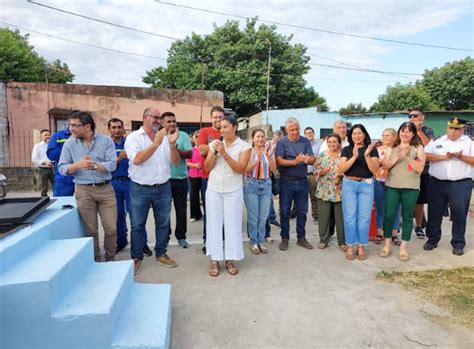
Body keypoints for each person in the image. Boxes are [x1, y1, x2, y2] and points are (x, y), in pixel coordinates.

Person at [124, 107, 180, 275]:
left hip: (163, 187)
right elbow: (137, 160)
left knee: (163, 224)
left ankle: (161, 254)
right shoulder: (133, 138)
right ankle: (136, 257)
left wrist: (172, 145)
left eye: (159, 118)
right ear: (144, 117)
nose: (157, 120)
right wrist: (156, 143)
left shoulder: (165, 138)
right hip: (140, 188)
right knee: (137, 225)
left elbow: (176, 162)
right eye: (154, 117)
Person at [58, 111, 117, 262]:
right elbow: (62, 168)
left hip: (105, 189)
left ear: (87, 126)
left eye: (74, 125)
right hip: (83, 190)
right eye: (70, 125)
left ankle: (110, 260)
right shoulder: (69, 144)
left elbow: (112, 164)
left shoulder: (106, 141)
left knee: (111, 229)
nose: (71, 129)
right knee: (91, 230)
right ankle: (95, 261)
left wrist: (95, 166)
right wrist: (77, 165)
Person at [204, 115, 251, 277]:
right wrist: (214, 152)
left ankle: (230, 259)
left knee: (232, 225)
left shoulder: (244, 146)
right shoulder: (215, 144)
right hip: (214, 189)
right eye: (220, 127)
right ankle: (215, 259)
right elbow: (206, 167)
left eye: (225, 127)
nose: (222, 130)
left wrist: (224, 154)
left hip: (233, 190)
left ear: (235, 127)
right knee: (214, 224)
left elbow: (240, 169)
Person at [424, 117, 474, 256]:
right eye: (451, 128)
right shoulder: (438, 141)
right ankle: (432, 239)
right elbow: (425, 155)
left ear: (462, 129)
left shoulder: (469, 143)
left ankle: (458, 243)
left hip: (461, 183)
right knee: (434, 212)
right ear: (447, 128)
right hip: (437, 183)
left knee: (459, 214)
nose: (453, 131)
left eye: (456, 129)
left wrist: (460, 157)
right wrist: (444, 157)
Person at [379, 122, 426, 262]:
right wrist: (398, 156)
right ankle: (386, 244)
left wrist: (408, 156)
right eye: (402, 131)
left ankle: (404, 247)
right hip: (392, 186)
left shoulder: (418, 148)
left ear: (413, 134)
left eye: (408, 131)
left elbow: (419, 168)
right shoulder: (392, 147)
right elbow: (385, 166)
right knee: (388, 216)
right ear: (399, 132)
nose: (405, 134)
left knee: (406, 218)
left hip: (411, 188)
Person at [108, 118, 152, 256]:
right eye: (113, 127)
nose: (117, 130)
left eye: (119, 127)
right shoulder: (106, 145)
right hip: (113, 183)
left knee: (136, 215)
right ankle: (121, 242)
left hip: (131, 182)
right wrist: (119, 158)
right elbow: (104, 165)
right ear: (109, 129)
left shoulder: (131, 141)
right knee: (118, 215)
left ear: (123, 128)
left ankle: (142, 244)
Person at [339, 124, 379, 260]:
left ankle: (361, 246)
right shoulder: (346, 150)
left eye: (359, 133)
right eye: (354, 133)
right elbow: (342, 168)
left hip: (366, 185)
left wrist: (366, 156)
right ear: (351, 136)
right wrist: (354, 156)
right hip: (349, 184)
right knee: (350, 217)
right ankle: (350, 245)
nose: (357, 136)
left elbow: (375, 170)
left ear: (364, 134)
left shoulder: (372, 150)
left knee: (364, 218)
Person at [275, 117, 315, 251]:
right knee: (285, 211)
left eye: (297, 129)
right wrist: (295, 161)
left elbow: (312, 159)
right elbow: (279, 161)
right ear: (286, 130)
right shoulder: (282, 142)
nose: (295, 132)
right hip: (287, 181)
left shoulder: (305, 141)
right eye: (292, 130)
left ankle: (301, 238)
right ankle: (285, 238)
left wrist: (308, 159)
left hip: (302, 180)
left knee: (303, 211)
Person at [162, 112, 192, 249]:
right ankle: (164, 237)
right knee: (164, 211)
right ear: (162, 123)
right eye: (168, 121)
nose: (172, 123)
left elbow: (189, 154)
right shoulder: (159, 137)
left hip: (180, 180)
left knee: (181, 210)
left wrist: (174, 147)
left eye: (174, 121)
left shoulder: (184, 136)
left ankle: (181, 236)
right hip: (164, 180)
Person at [244, 129, 276, 254]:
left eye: (262, 136)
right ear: (253, 139)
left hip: (266, 184)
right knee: (253, 217)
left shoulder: (268, 152)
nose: (260, 139)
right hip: (251, 184)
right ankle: (254, 242)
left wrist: (269, 157)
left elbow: (274, 170)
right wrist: (256, 161)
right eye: (257, 136)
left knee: (263, 216)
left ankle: (260, 241)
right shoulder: (248, 152)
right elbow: (245, 170)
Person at [198, 106, 225, 253]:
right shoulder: (204, 132)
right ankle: (207, 241)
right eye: (215, 117)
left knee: (224, 213)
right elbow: (201, 150)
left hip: (225, 178)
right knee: (210, 212)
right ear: (211, 118)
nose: (218, 119)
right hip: (207, 178)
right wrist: (214, 146)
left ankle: (222, 241)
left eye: (220, 117)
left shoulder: (228, 131)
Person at [314, 133, 346, 250]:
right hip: (324, 190)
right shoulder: (322, 156)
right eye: (330, 142)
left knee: (340, 218)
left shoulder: (343, 156)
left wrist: (343, 174)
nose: (332, 144)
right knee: (323, 217)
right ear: (327, 143)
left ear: (339, 143)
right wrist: (321, 171)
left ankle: (342, 241)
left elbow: (348, 170)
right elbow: (315, 171)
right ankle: (323, 239)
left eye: (334, 142)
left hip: (339, 191)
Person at [407, 108, 435, 238]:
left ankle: (418, 226)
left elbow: (429, 146)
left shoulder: (428, 130)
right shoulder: (406, 129)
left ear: (422, 117)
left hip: (423, 171)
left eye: (415, 115)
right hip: (407, 171)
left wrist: (418, 131)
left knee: (419, 201)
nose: (412, 118)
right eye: (410, 116)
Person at [373, 128, 402, 245]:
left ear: (395, 137)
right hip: (379, 181)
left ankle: (394, 234)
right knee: (381, 208)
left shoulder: (399, 150)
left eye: (388, 135)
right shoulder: (377, 150)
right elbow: (375, 165)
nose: (384, 137)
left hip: (395, 182)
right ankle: (380, 232)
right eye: (383, 135)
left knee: (396, 209)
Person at [47, 124, 75, 196]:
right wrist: (68, 145)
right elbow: (51, 155)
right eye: (74, 124)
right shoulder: (58, 136)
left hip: (84, 178)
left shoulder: (86, 137)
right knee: (62, 204)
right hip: (63, 178)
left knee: (85, 206)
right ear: (70, 123)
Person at [304, 127, 322, 224]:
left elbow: (320, 159)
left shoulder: (318, 146)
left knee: (314, 196)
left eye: (310, 133)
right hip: (302, 174)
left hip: (312, 174)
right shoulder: (301, 145)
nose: (309, 134)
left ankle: (316, 216)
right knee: (299, 197)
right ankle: (294, 213)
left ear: (314, 134)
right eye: (307, 133)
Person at [187, 131, 204, 222]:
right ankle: (195, 214)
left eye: (200, 136)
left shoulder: (206, 149)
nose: (198, 138)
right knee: (194, 196)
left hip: (204, 175)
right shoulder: (191, 150)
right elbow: (187, 162)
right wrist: (194, 166)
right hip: (193, 175)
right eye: (196, 136)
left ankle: (208, 213)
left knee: (205, 196)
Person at [31, 129, 54, 196]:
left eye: (49, 135)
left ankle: (57, 199)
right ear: (41, 136)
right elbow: (34, 159)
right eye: (45, 135)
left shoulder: (52, 145)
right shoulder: (37, 146)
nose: (47, 136)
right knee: (44, 188)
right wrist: (44, 162)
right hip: (43, 169)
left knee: (56, 186)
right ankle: (44, 202)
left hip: (53, 168)